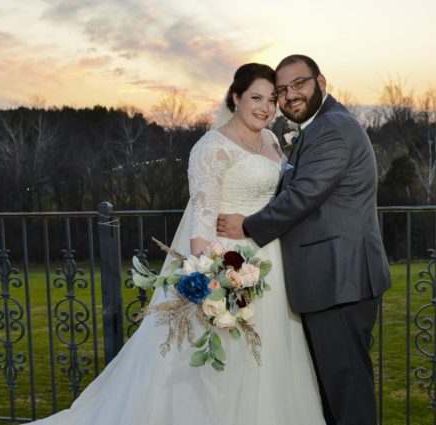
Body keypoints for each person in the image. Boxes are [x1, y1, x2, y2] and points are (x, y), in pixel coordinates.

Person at [28, 63, 325, 425]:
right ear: (236, 98)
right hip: (229, 261)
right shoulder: (211, 147)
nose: (266, 107)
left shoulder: (272, 140)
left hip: (271, 264)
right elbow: (201, 221)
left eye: (272, 99)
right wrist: (211, 282)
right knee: (224, 366)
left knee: (272, 360)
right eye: (256, 98)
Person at [217, 55, 392, 425]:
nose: (290, 95)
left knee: (348, 396)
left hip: (340, 280)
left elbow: (303, 196)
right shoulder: (321, 125)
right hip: (331, 279)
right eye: (282, 90)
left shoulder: (332, 128)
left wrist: (247, 226)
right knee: (335, 392)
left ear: (321, 81)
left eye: (299, 84)